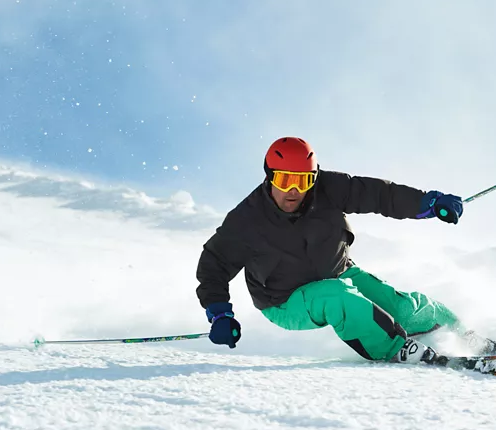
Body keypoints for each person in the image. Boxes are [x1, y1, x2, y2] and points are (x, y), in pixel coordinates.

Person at [195, 137, 465, 365]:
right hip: (285, 300)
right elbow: (213, 265)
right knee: (338, 297)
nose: (293, 190)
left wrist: (428, 202)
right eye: (284, 179)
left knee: (402, 308)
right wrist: (220, 313)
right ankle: (396, 350)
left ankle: (463, 334)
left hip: (339, 274)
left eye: (302, 181)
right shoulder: (247, 220)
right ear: (269, 177)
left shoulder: (329, 189)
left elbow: (380, 194)